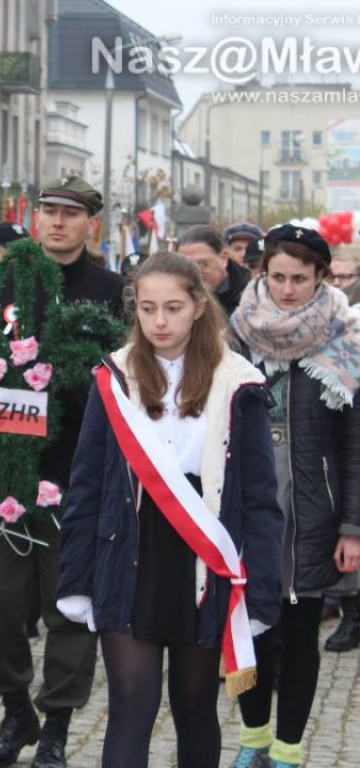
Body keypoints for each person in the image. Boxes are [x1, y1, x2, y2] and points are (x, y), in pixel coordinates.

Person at [57, 251, 283, 767]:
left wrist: (262, 593)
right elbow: (86, 485)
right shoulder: (113, 378)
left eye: (174, 308)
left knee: (195, 707)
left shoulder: (239, 383)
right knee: (131, 708)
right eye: (147, 307)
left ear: (199, 307)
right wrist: (76, 578)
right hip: (128, 552)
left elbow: (260, 502)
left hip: (206, 557)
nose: (159, 321)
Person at [0, 176, 125, 768]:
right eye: (47, 212)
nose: (57, 223)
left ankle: (56, 722)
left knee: (69, 605)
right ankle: (14, 708)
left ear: (91, 225)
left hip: (77, 477)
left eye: (70, 214)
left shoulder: (111, 293)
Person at [228, 225, 360, 768]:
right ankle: (252, 737)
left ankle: (287, 749)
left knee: (301, 634)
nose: (287, 289)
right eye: (277, 276)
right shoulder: (235, 335)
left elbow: (355, 445)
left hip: (314, 511)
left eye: (300, 279)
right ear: (261, 272)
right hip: (247, 510)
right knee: (249, 631)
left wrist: (352, 526)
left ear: (322, 277)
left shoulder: (346, 341)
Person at [176, 224, 251, 316]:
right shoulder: (174, 292)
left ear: (223, 258)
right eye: (186, 266)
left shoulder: (250, 294)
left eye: (202, 265)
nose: (194, 273)